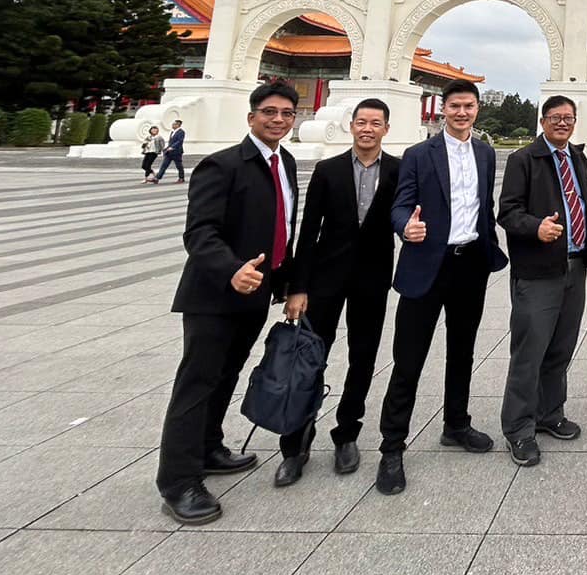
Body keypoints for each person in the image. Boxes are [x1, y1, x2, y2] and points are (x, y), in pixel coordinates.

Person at [156, 80, 300, 526]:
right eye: (269, 112)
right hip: (215, 296)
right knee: (197, 383)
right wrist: (231, 269)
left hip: (256, 293)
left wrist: (287, 284)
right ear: (251, 116)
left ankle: (208, 447)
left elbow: (282, 228)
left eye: (286, 114)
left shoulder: (285, 162)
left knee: (226, 376)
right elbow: (200, 232)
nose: (278, 120)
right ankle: (178, 482)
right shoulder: (221, 165)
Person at [374, 80, 508, 493]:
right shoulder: (418, 155)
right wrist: (405, 227)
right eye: (455, 106)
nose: (462, 113)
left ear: (477, 109)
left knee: (462, 351)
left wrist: (489, 243)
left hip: (470, 265)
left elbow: (483, 205)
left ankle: (456, 424)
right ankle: (392, 447)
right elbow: (400, 204)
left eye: (469, 106)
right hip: (426, 266)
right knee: (408, 359)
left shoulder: (485, 153)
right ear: (443, 109)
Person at [271, 98, 401, 489]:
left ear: (386, 129)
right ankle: (295, 443)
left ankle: (347, 433)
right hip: (324, 279)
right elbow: (308, 230)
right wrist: (298, 287)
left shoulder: (398, 170)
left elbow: (406, 216)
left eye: (375, 123)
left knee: (363, 357)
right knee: (310, 359)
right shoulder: (328, 170)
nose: (367, 129)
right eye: (361, 122)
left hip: (372, 279)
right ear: (351, 126)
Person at [497, 95, 587, 466]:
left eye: (568, 117)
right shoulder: (524, 159)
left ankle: (550, 412)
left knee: (560, 347)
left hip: (575, 266)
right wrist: (535, 227)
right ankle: (518, 428)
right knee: (530, 351)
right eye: (555, 117)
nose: (562, 123)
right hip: (539, 271)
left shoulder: (577, 157)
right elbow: (507, 212)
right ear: (543, 121)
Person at [151, 119, 187, 184]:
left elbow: (180, 141)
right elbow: (171, 142)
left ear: (178, 125)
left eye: (174, 124)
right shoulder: (172, 132)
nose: (172, 125)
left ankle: (181, 178)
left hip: (177, 152)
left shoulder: (181, 132)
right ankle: (157, 178)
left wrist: (172, 147)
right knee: (164, 165)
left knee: (179, 166)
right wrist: (166, 148)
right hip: (169, 152)